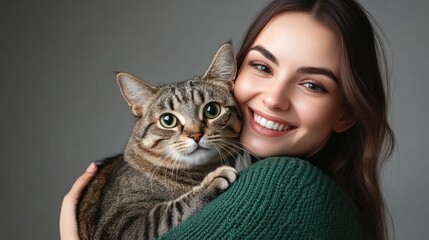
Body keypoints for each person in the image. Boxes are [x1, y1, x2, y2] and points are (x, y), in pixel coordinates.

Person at [60, 0, 395, 239]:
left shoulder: (284, 186)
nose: (274, 99)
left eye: (312, 84)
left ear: (347, 112)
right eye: (262, 67)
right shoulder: (317, 195)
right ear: (235, 74)